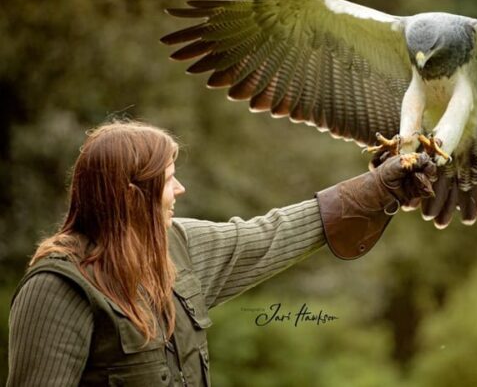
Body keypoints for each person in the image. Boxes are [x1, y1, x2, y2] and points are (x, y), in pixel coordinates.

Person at [7, 120, 436, 386]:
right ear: (131, 195)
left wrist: (379, 187)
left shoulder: (180, 247)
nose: (180, 189)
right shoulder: (58, 289)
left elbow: (271, 234)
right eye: (169, 179)